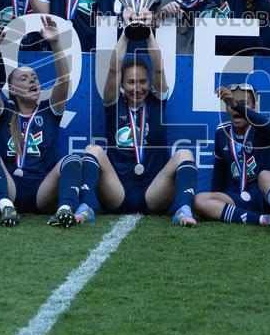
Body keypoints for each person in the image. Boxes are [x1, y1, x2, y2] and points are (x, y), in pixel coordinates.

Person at [78, 20, 198, 225]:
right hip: (118, 191)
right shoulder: (113, 104)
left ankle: (184, 210)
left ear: (149, 82)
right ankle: (85, 206)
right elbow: (114, 69)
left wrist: (148, 33)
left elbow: (158, 68)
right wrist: (126, 34)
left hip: (153, 191)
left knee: (185, 154)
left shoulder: (156, 102)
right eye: (131, 82)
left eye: (142, 81)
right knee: (93, 150)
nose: (137, 87)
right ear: (122, 85)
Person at [0, 16, 85, 227]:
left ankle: (64, 211)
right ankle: (6, 207)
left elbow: (64, 80)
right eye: (24, 78)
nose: (32, 80)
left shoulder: (49, 111)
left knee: (72, 160)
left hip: (41, 189)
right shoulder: (5, 111)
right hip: (11, 188)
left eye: (34, 77)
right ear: (13, 90)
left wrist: (55, 43)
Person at [195, 83, 270, 231]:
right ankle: (263, 220)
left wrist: (237, 106)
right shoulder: (221, 133)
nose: (235, 107)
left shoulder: (265, 125)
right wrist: (215, 200)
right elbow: (220, 172)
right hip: (245, 195)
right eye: (230, 104)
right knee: (200, 200)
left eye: (243, 104)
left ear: (254, 107)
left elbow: (269, 128)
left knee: (264, 176)